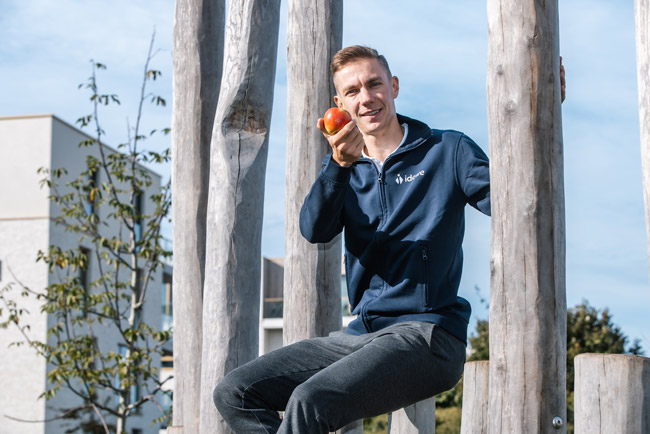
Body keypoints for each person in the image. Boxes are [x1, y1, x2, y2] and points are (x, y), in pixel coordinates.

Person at [213, 45, 565, 434]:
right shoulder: (344, 171)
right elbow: (314, 230)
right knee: (235, 392)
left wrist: (541, 115)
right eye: (352, 91)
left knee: (311, 400)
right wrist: (340, 165)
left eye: (374, 84)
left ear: (393, 86)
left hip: (429, 335)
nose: (366, 98)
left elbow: (516, 198)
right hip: (361, 336)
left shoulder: (447, 151)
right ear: (339, 103)